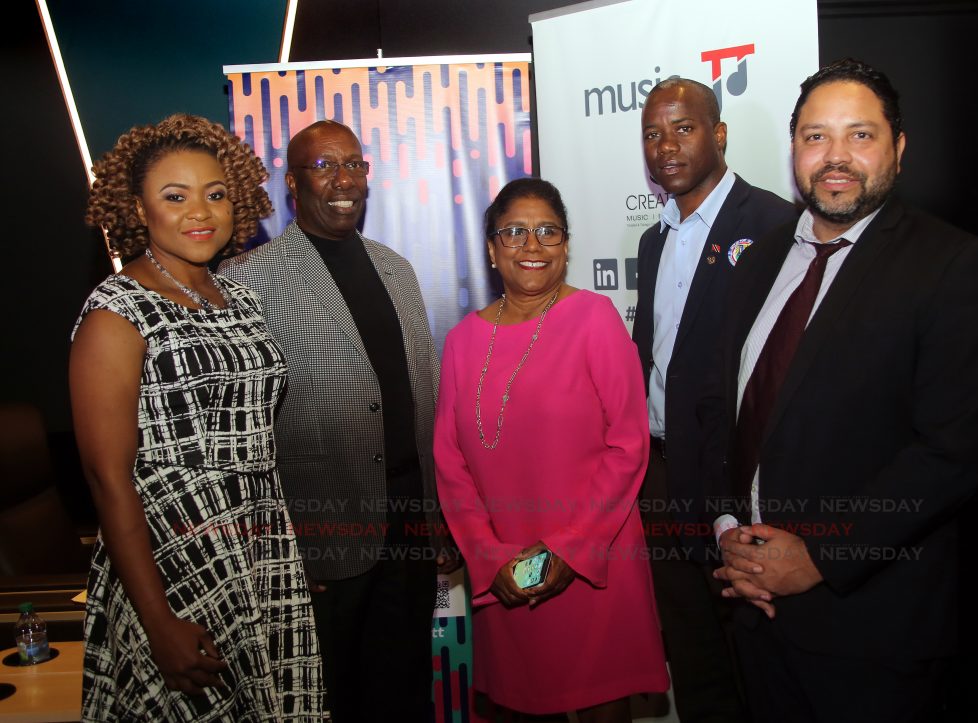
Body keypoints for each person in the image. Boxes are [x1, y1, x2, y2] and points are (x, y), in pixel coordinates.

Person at [706, 59, 978, 722]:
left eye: (861, 135)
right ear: (793, 150)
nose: (836, 156)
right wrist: (729, 530)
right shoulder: (757, 261)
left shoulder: (954, 266)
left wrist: (820, 553)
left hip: (871, 630)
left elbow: (953, 452)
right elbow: (730, 415)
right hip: (753, 616)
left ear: (898, 150)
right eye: (817, 136)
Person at [70, 114, 322, 721]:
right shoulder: (117, 312)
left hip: (260, 551)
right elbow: (110, 481)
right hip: (172, 563)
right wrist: (158, 622)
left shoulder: (239, 299)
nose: (199, 211)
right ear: (137, 208)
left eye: (215, 194)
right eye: (174, 197)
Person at [218, 119, 454, 721]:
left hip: (408, 522)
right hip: (322, 534)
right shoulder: (250, 279)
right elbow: (241, 434)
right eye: (325, 167)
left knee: (403, 693)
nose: (344, 180)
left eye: (354, 165)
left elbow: (421, 390)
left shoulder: (396, 268)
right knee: (329, 701)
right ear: (294, 184)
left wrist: (437, 517)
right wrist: (279, 547)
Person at [434, 178, 669, 722]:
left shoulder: (595, 319)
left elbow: (628, 445)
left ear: (566, 245)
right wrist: (490, 560)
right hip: (505, 573)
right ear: (492, 249)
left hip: (591, 563)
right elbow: (451, 463)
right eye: (514, 232)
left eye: (547, 231)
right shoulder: (462, 341)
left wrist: (568, 549)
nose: (531, 245)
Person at [632, 77, 794, 721]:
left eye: (683, 127)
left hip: (734, 480)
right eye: (651, 133)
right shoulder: (655, 239)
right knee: (692, 653)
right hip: (662, 475)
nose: (666, 145)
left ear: (719, 133)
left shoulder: (775, 224)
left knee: (752, 655)